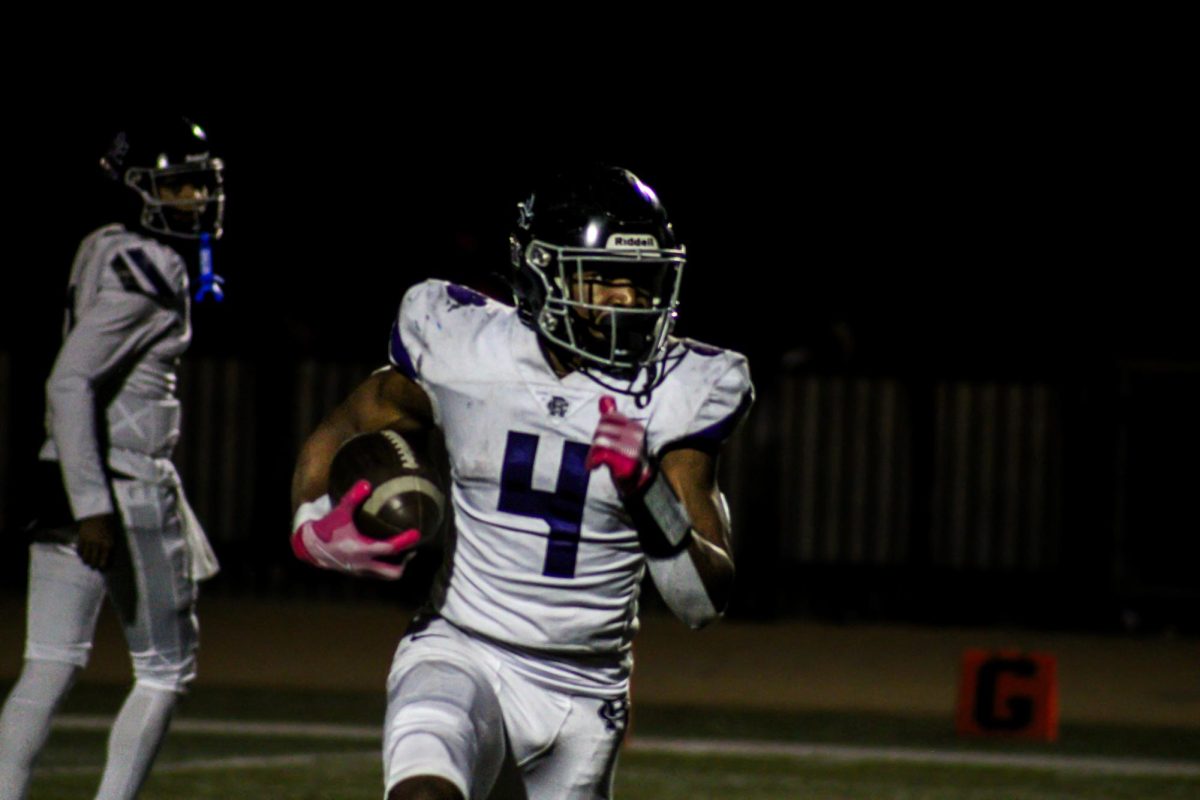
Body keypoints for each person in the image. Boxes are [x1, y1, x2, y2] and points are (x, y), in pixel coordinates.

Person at [290, 165, 753, 799]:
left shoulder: (679, 387)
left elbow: (702, 602)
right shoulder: (466, 344)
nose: (626, 300)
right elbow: (345, 424)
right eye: (604, 279)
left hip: (585, 691)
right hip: (461, 648)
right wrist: (311, 526)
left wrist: (646, 492)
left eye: (640, 282)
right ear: (543, 274)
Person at [0, 117, 223, 800]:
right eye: (177, 184)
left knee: (49, 663)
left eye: (197, 183)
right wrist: (94, 505)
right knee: (163, 669)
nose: (194, 198)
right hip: (121, 479)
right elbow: (71, 380)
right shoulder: (150, 265)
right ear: (134, 188)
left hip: (64, 464)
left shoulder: (99, 246)